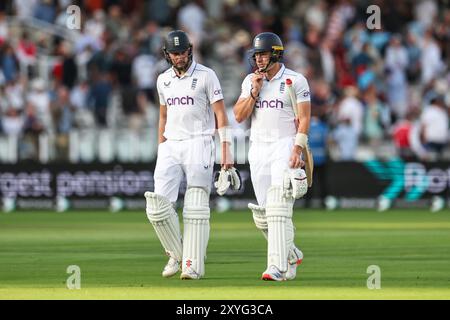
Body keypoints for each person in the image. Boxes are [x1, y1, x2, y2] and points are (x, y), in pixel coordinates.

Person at [144, 30, 233, 280]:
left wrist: (226, 150)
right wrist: (161, 145)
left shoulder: (207, 75)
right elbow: (163, 115)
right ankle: (177, 253)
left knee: (195, 205)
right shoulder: (163, 80)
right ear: (167, 54)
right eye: (174, 53)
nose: (179, 57)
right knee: (157, 206)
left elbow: (221, 115)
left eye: (182, 52)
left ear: (189, 50)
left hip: (199, 141)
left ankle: (192, 263)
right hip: (171, 144)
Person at [233, 32, 311, 281]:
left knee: (278, 206)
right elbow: (238, 115)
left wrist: (297, 150)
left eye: (263, 54)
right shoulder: (250, 80)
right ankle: (291, 252)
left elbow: (305, 118)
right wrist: (254, 92)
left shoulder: (295, 80)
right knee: (265, 214)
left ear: (276, 54)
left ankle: (275, 267)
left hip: (283, 145)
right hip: (258, 148)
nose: (259, 59)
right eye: (256, 55)